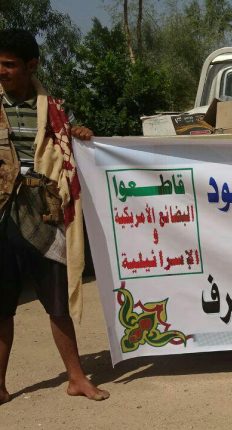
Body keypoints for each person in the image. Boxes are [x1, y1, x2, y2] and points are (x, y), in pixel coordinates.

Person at [0, 29, 109, 403]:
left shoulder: (57, 109)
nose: (2, 71)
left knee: (57, 303)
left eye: (9, 64)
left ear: (31, 66)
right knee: (2, 308)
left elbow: (73, 145)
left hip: (45, 212)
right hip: (2, 215)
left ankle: (76, 378)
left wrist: (81, 134)